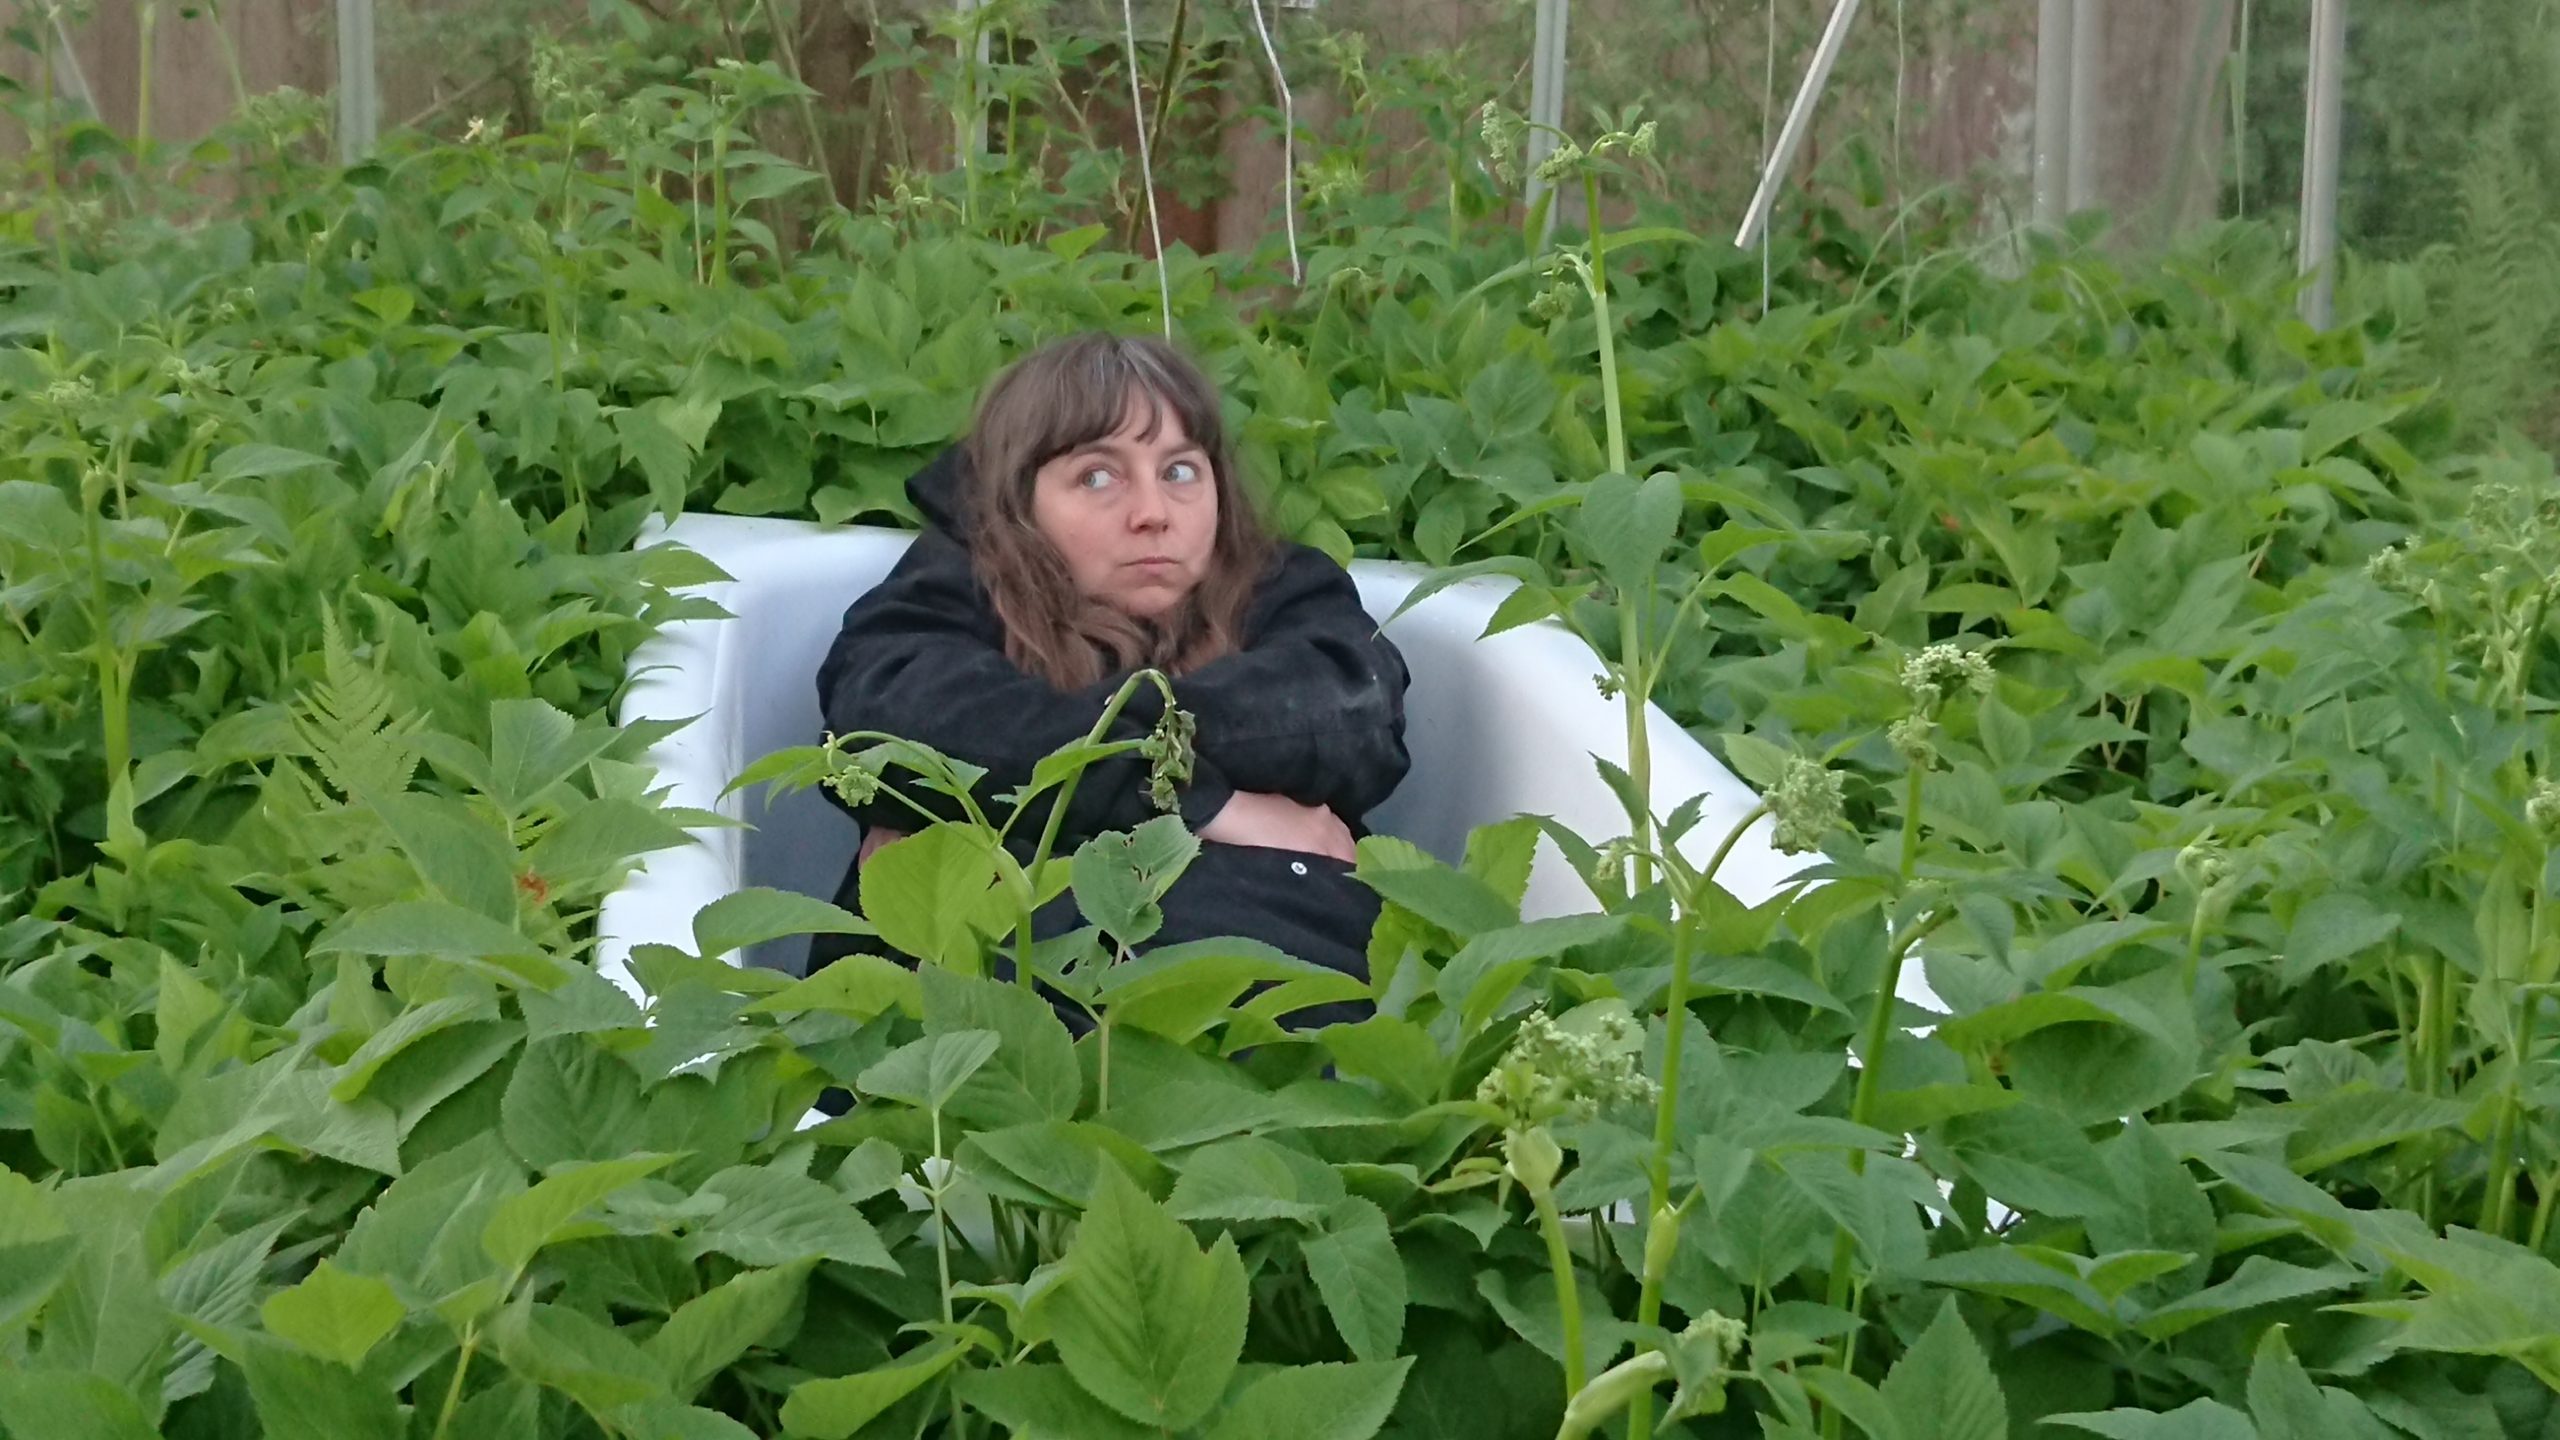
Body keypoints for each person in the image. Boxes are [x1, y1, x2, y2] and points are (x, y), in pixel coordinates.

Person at [807, 332, 1411, 1022]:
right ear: (1018, 498)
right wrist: (1210, 804)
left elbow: (1348, 714)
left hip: (1280, 971)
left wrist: (1039, 785)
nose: (1153, 513)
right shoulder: (956, 587)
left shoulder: (1280, 588)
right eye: (1098, 476)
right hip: (1014, 1007)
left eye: (1180, 471)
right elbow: (891, 720)